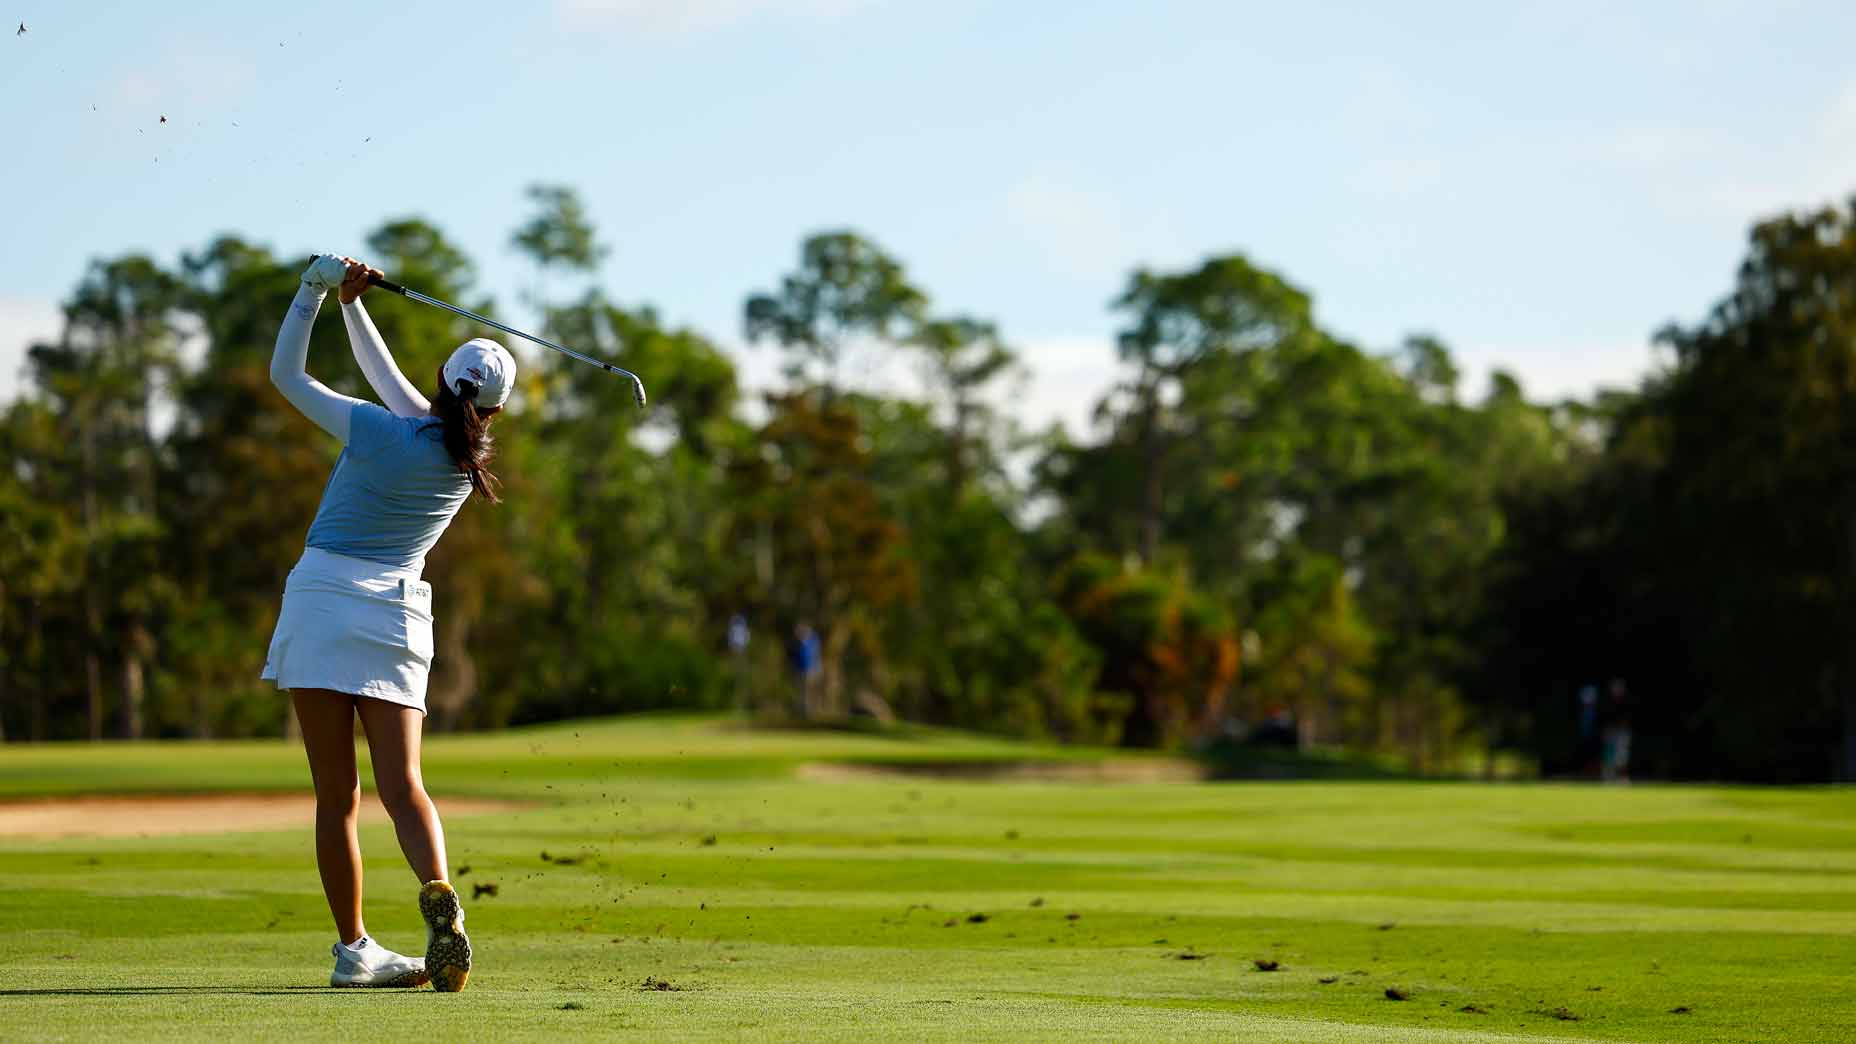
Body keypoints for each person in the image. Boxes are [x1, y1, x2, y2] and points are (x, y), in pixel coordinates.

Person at [261, 254, 515, 990]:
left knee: (337, 796)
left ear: (443, 380)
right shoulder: (467, 463)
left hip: (320, 603)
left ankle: (354, 950)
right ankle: (440, 894)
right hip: (396, 615)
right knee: (404, 787)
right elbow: (399, 391)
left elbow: (288, 378)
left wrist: (312, 293)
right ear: (492, 410)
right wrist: (352, 305)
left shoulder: (377, 432)